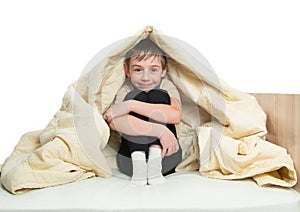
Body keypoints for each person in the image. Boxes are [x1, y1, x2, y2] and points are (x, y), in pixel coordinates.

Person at [105, 37, 182, 186]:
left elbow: (175, 115)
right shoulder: (126, 89)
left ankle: (154, 159)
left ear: (164, 71)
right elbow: (115, 122)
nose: (145, 77)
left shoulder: (167, 86)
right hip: (130, 160)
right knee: (137, 95)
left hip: (166, 156)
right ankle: (140, 161)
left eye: (153, 69)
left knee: (157, 95)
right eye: (138, 69)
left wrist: (131, 105)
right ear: (127, 71)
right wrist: (160, 131)